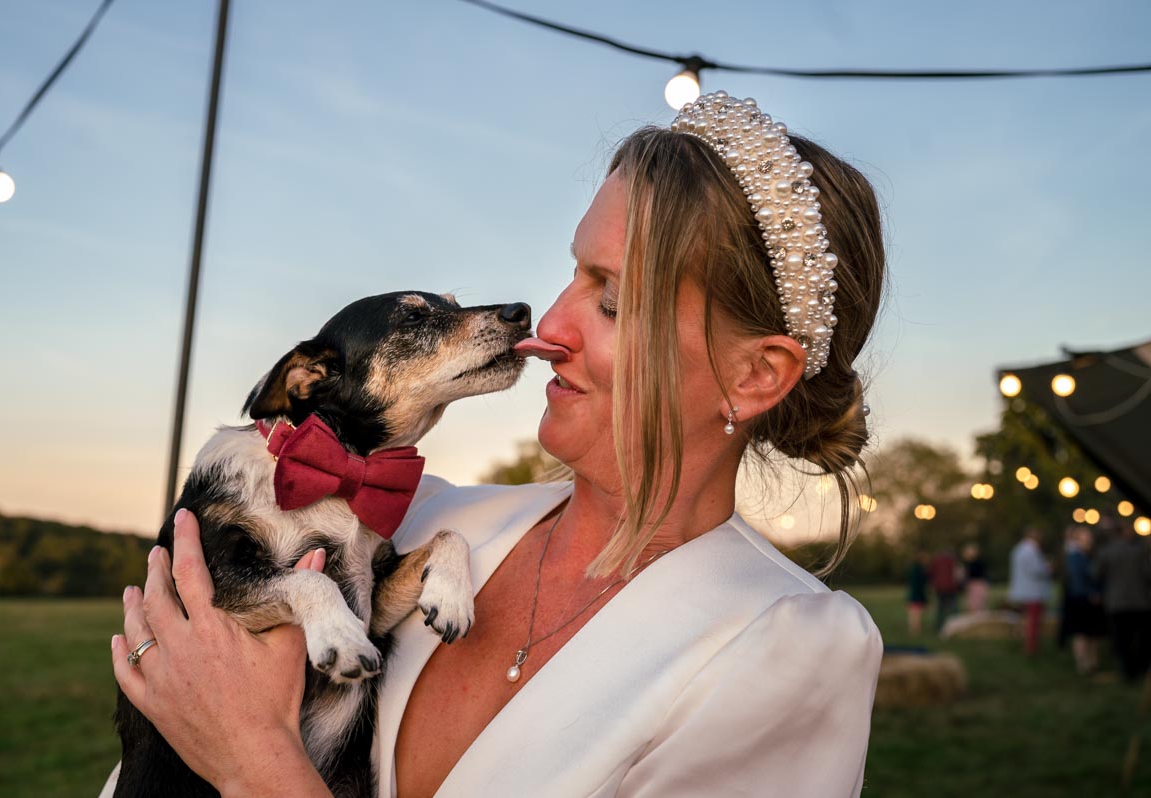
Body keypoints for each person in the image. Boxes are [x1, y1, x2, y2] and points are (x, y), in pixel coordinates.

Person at [109, 92, 887, 797]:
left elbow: (240, 741)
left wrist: (254, 763)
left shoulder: (786, 648)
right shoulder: (419, 520)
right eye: (574, 275)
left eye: (613, 303)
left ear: (755, 375)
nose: (548, 326)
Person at [1093, 522, 1151, 682]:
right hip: (1140, 602)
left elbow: (1096, 574)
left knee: (1122, 640)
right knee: (1140, 638)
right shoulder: (1138, 551)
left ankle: (1127, 672)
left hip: (1116, 602)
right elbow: (1148, 574)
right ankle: (1142, 668)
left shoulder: (1106, 552)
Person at [1061, 526, 1105, 675]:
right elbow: (1077, 579)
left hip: (1091, 599)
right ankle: (1082, 663)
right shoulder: (1075, 556)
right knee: (1081, 633)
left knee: (1093, 633)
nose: (1089, 540)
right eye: (1086, 538)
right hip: (1081, 599)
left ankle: (1093, 662)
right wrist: (1091, 593)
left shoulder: (1089, 555)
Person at [1008, 527, 1053, 657]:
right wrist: (1048, 568)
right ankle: (1031, 648)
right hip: (1033, 592)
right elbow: (1036, 570)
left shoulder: (1018, 549)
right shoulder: (1031, 551)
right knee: (1033, 622)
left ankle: (1025, 645)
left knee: (1025, 621)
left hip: (1022, 591)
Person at [928, 548, 961, 632]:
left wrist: (933, 586)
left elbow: (931, 574)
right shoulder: (952, 561)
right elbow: (956, 574)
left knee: (940, 608)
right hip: (951, 587)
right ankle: (955, 626)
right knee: (953, 608)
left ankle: (939, 626)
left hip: (939, 588)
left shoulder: (936, 561)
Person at [907, 550, 930, 636]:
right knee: (916, 613)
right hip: (917, 595)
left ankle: (914, 629)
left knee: (914, 613)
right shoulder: (919, 570)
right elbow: (920, 584)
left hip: (914, 594)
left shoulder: (914, 569)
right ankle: (915, 630)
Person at [962, 542, 989, 613]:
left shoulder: (976, 563)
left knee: (976, 606)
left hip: (977, 585)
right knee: (974, 606)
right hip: (975, 585)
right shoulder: (970, 564)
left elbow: (971, 575)